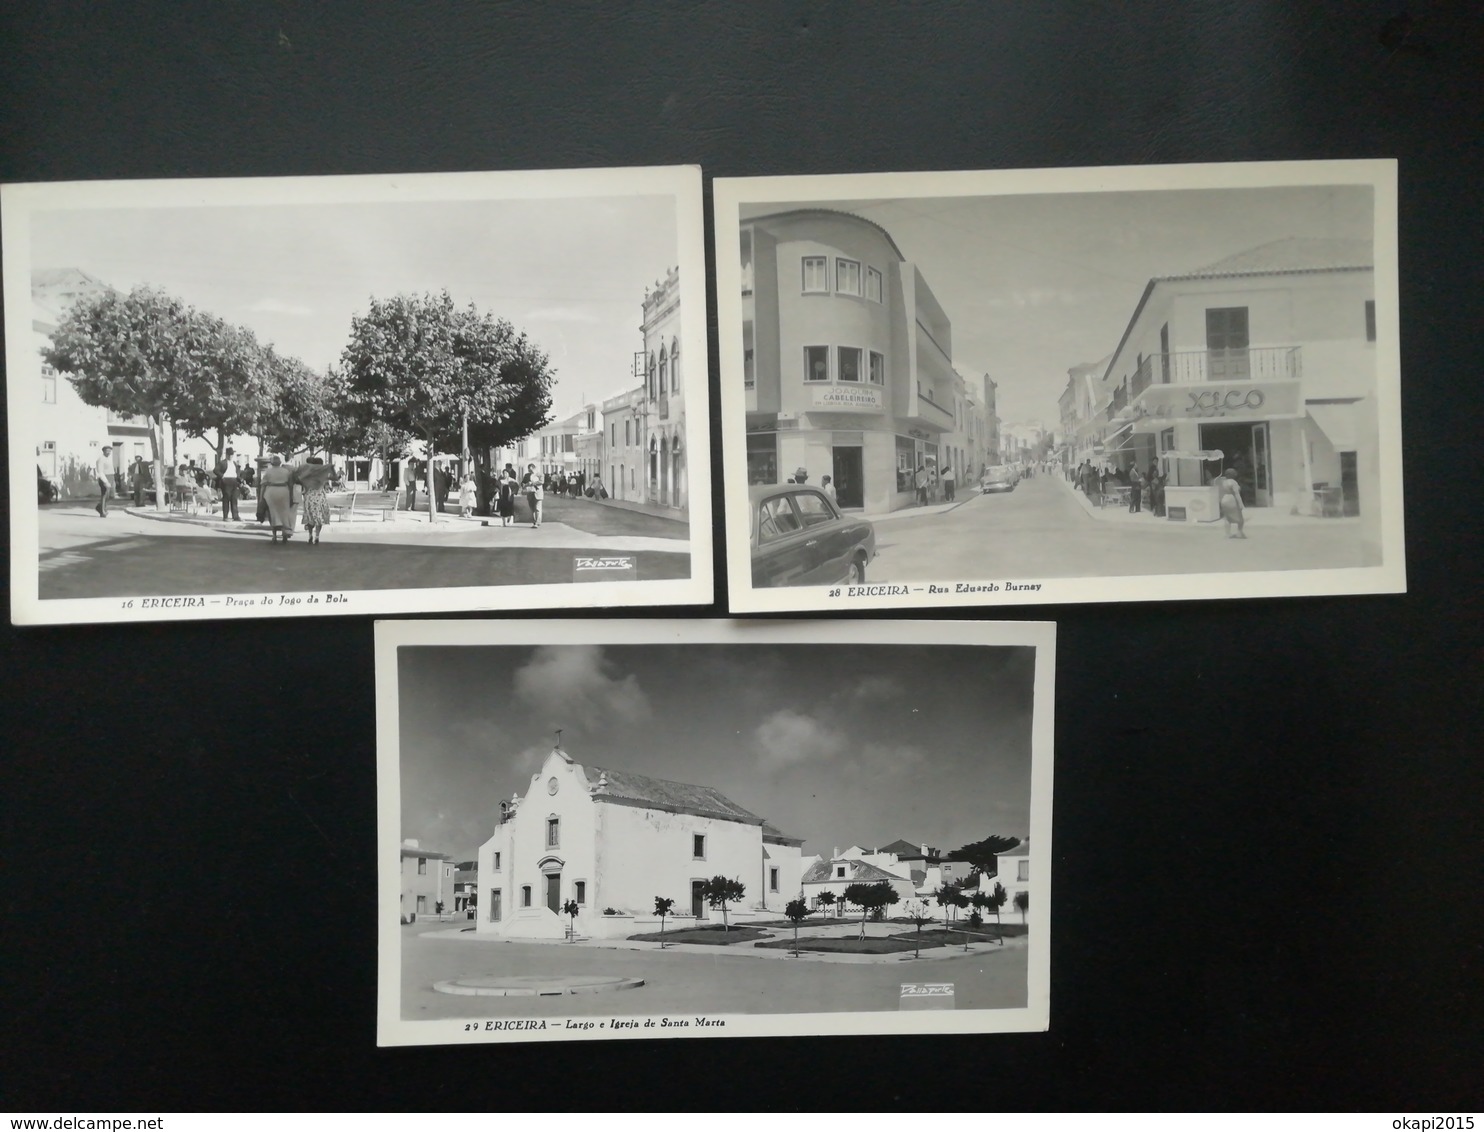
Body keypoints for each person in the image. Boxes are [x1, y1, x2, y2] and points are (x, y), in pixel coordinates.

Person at [259, 455, 298, 544]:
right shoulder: (286, 472)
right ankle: (285, 534)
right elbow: (290, 485)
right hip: (284, 491)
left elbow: (263, 485)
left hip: (271, 491)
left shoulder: (268, 472)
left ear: (272, 463)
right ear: (280, 462)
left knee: (272, 513)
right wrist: (291, 496)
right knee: (284, 512)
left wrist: (261, 497)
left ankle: (274, 535)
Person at [297, 457, 335, 546]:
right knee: (319, 517)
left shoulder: (309, 474)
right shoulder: (324, 474)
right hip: (320, 496)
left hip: (309, 496)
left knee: (310, 516)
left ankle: (310, 535)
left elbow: (300, 480)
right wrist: (331, 468)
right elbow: (335, 478)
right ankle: (317, 536)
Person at [215, 447, 241, 521]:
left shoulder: (234, 463)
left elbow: (237, 472)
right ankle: (225, 516)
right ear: (226, 455)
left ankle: (235, 516)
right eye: (229, 455)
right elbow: (215, 470)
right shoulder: (222, 462)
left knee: (234, 499)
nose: (230, 456)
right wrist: (222, 476)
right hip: (226, 481)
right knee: (226, 499)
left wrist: (239, 478)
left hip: (234, 481)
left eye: (231, 455)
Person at [94, 446, 114, 516]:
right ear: (103, 451)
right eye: (107, 451)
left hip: (111, 477)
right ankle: (102, 512)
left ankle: (99, 506)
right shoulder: (101, 459)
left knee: (112, 495)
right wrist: (105, 481)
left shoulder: (109, 458)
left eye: (110, 451)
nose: (109, 452)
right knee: (105, 495)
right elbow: (100, 472)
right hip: (105, 477)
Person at [522, 463, 542, 528]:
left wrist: (532, 483)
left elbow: (542, 482)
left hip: (538, 493)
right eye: (529, 470)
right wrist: (523, 485)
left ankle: (537, 522)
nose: (530, 471)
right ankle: (534, 522)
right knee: (532, 509)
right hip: (530, 493)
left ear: (534, 468)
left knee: (537, 508)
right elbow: (523, 482)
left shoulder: (539, 474)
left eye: (531, 470)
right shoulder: (527, 475)